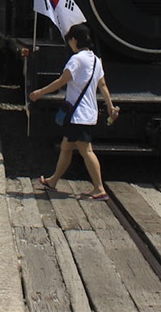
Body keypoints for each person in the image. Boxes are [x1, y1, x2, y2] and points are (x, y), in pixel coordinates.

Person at [29, 24, 118, 201]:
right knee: (67, 147)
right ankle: (52, 181)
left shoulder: (77, 59)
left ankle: (99, 188)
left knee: (86, 150)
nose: (69, 43)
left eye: (70, 40)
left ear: (74, 40)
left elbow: (62, 81)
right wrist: (110, 106)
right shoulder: (96, 60)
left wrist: (39, 92)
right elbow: (103, 85)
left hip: (78, 114)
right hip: (87, 112)